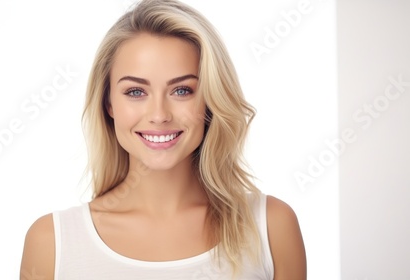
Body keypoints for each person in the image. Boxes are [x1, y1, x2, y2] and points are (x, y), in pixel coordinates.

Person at [20, 0, 306, 279]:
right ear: (108, 104)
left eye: (182, 90)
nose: (159, 115)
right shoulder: (52, 243)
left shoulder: (271, 228)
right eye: (135, 92)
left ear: (211, 99)